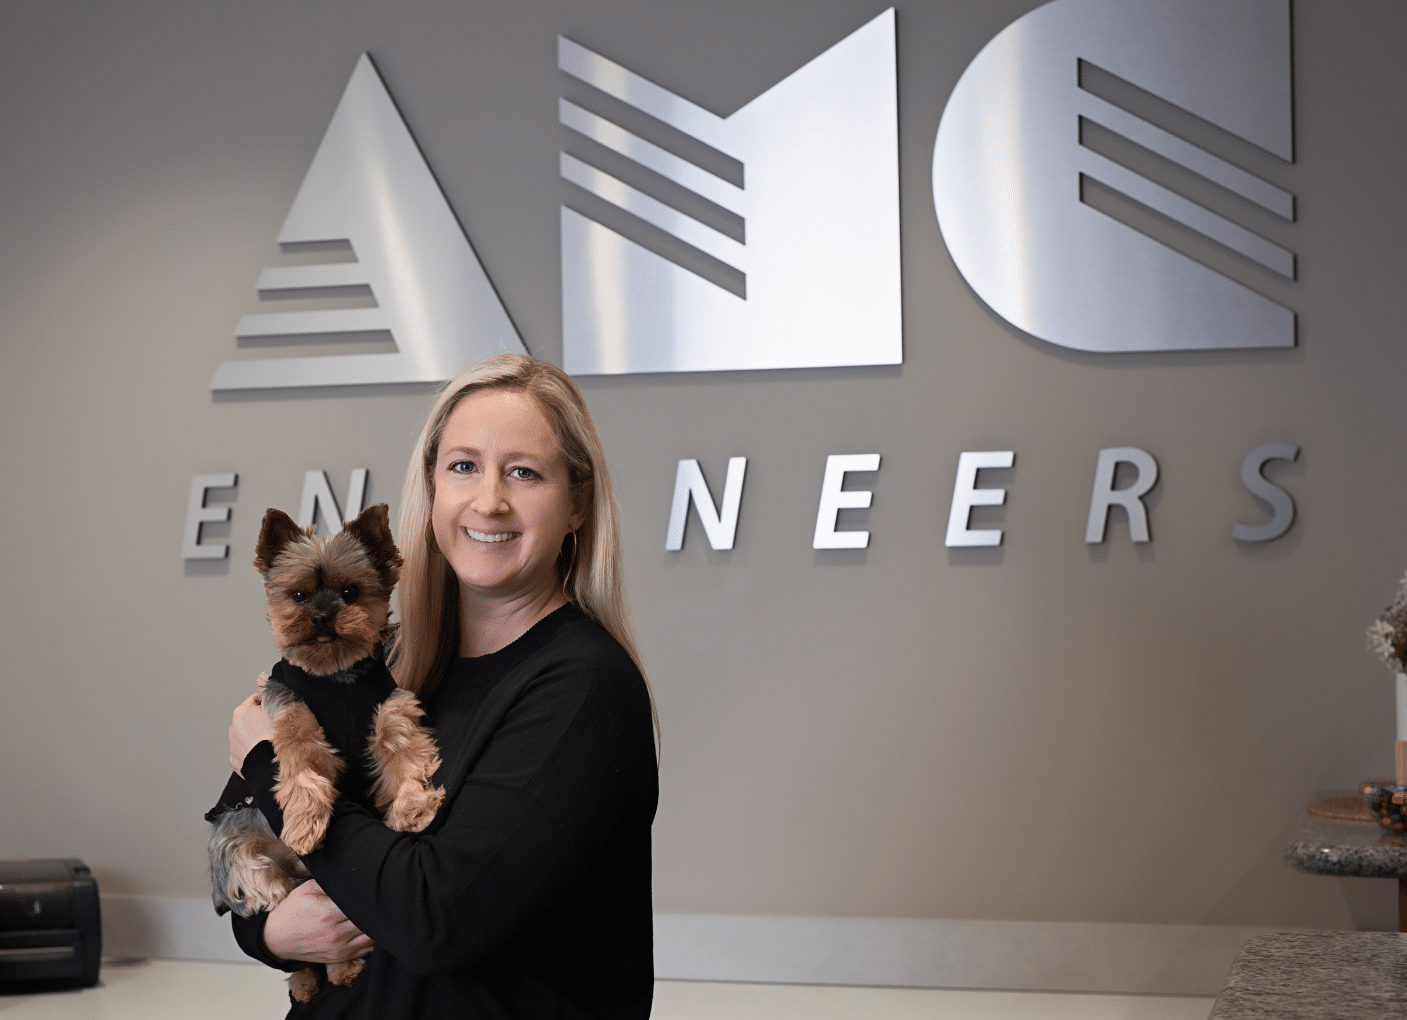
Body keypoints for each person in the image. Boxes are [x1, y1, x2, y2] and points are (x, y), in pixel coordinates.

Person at [225, 354, 659, 1019]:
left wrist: (267, 759)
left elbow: (434, 920)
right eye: (463, 466)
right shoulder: (375, 655)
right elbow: (246, 845)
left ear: (574, 503)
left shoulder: (585, 690)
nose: (490, 500)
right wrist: (270, 932)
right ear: (430, 489)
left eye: (524, 471)